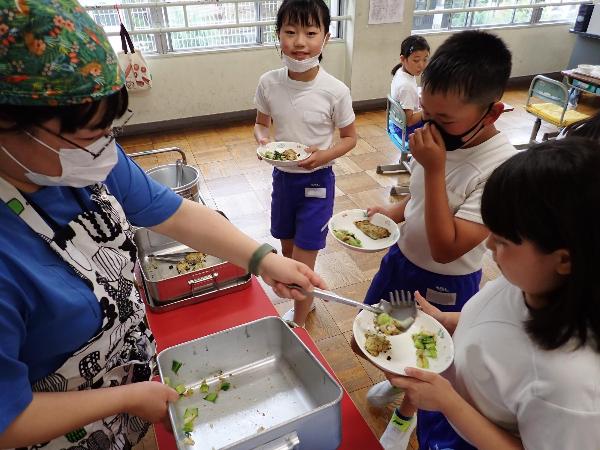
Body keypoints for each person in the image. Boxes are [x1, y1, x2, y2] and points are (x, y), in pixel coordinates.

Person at [0, 1, 324, 448]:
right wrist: (126, 399)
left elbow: (172, 211)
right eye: (88, 134)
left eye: (109, 129)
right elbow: (8, 419)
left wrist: (263, 259)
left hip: (132, 389)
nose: (105, 149)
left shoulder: (81, 161)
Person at [387, 137, 600, 450]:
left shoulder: (571, 386)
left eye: (502, 241)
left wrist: (450, 403)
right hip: (451, 405)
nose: (488, 246)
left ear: (564, 259)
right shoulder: (530, 281)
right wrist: (451, 319)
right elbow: (508, 322)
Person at [359, 31, 518, 450]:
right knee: (377, 335)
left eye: (444, 120)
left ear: (492, 113)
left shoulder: (498, 171)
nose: (428, 126)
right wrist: (391, 213)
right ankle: (405, 390)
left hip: (443, 283)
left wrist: (433, 167)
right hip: (401, 261)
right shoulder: (436, 138)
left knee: (426, 360)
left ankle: (410, 409)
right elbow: (418, 198)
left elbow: (447, 246)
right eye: (426, 112)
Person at [253, 0, 357, 327]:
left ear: (326, 37)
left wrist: (323, 156)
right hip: (283, 181)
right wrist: (263, 141)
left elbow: (350, 138)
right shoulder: (269, 82)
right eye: (291, 32)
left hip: (317, 184)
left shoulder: (335, 91)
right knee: (287, 255)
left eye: (311, 32)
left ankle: (298, 322)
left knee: (303, 262)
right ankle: (306, 304)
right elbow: (260, 122)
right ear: (278, 35)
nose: (300, 42)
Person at [389, 35, 430, 136]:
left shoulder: (401, 71)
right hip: (406, 131)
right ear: (403, 59)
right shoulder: (406, 86)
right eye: (416, 60)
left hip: (397, 123)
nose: (421, 65)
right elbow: (409, 121)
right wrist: (429, 111)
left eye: (425, 59)